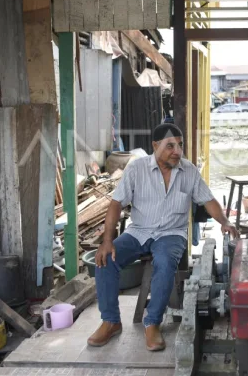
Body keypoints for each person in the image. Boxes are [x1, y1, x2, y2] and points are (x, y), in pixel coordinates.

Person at [88, 123, 238, 351]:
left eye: (179, 145)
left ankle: (152, 323)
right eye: (170, 146)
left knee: (165, 262)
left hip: (171, 233)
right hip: (139, 231)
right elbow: (116, 204)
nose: (177, 151)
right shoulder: (136, 169)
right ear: (155, 146)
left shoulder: (188, 171)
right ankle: (111, 321)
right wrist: (107, 241)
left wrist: (225, 221)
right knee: (106, 260)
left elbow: (208, 200)